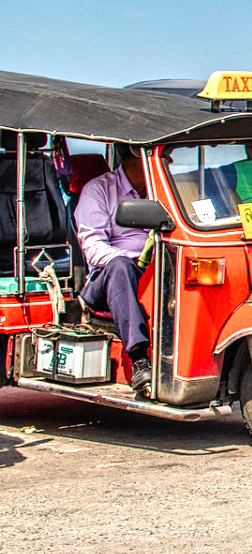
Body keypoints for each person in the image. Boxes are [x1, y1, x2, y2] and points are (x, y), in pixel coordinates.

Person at [74, 144, 153, 392]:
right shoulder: (98, 190)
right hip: (107, 279)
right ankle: (139, 358)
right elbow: (93, 247)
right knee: (120, 266)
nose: (170, 163)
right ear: (135, 158)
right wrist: (133, 260)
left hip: (153, 268)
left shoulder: (159, 187)